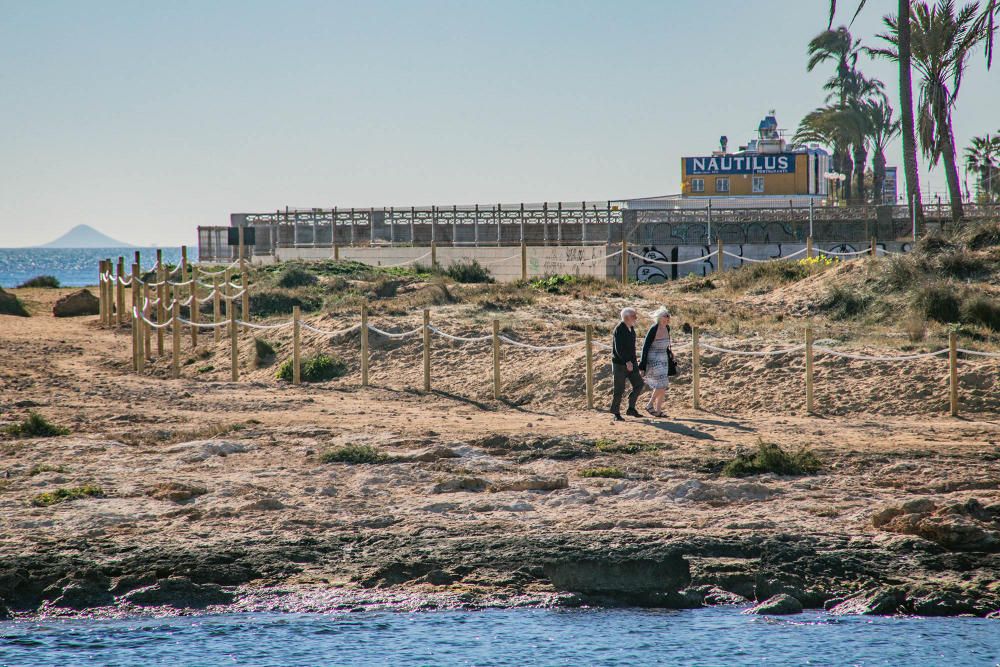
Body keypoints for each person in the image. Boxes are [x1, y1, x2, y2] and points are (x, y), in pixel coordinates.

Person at [610, 307, 644, 421]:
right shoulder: (619, 329)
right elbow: (619, 348)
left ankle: (631, 408)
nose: (636, 318)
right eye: (634, 316)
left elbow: (632, 348)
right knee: (619, 389)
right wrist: (627, 361)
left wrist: (634, 362)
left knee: (639, 384)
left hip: (631, 363)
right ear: (626, 317)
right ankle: (616, 413)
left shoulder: (631, 328)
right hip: (620, 364)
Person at [639, 306, 672, 418]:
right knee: (661, 383)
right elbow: (645, 347)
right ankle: (649, 404)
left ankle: (658, 411)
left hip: (663, 358)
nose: (666, 319)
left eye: (668, 317)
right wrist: (642, 365)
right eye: (664, 317)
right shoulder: (654, 329)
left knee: (663, 384)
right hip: (653, 358)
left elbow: (666, 345)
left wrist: (670, 353)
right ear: (659, 317)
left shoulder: (667, 328)